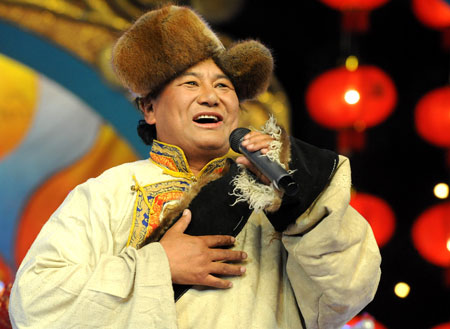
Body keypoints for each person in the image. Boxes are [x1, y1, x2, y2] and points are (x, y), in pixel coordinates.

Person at [9, 5, 381, 329]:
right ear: (150, 108)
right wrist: (157, 266)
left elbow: (348, 293)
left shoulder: (274, 190)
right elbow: (35, 306)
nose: (211, 96)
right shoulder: (105, 193)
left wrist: (299, 202)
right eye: (190, 83)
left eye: (223, 86)